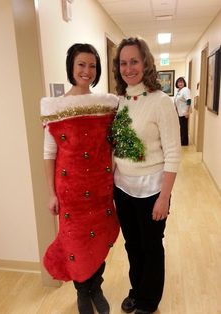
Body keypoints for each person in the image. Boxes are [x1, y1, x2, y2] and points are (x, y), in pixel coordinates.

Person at [40, 43, 120, 314]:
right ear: (71, 68)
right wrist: (51, 193)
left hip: (100, 189)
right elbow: (49, 153)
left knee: (99, 238)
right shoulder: (55, 107)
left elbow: (112, 144)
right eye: (81, 65)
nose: (87, 71)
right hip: (70, 192)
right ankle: (82, 292)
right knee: (75, 242)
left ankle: (96, 287)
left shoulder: (107, 105)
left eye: (92, 66)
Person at [112, 37, 181, 314]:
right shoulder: (118, 101)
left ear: (146, 63)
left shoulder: (161, 102)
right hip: (123, 188)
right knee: (132, 245)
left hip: (152, 189)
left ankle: (148, 302)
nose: (128, 68)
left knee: (151, 246)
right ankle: (137, 290)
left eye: (134, 61)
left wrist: (164, 197)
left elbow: (173, 153)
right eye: (123, 63)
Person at [174, 77, 192, 145]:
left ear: (184, 83)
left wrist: (187, 111)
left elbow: (189, 100)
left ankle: (184, 142)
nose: (180, 83)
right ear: (177, 84)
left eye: (181, 82)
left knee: (184, 128)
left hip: (184, 112)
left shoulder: (185, 90)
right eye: (179, 82)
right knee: (181, 127)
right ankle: (182, 141)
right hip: (180, 112)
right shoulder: (178, 91)